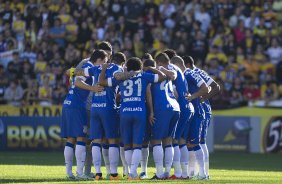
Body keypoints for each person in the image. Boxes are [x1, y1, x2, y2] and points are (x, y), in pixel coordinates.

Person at [114, 57, 166, 180]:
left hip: (124, 111)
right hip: (139, 112)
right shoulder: (144, 76)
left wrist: (124, 73)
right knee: (138, 144)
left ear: (128, 67)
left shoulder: (122, 76)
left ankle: (129, 173)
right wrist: (153, 69)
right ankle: (133, 173)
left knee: (127, 144)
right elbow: (163, 77)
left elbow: (113, 79)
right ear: (140, 67)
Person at [61, 50, 106, 180]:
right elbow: (77, 82)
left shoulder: (84, 66)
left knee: (70, 139)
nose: (104, 64)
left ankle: (69, 173)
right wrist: (93, 88)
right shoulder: (89, 67)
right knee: (81, 137)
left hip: (68, 102)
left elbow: (71, 75)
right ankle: (80, 173)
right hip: (77, 105)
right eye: (104, 61)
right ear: (99, 59)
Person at [183, 56, 220, 178]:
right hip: (202, 109)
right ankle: (194, 173)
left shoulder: (196, 73)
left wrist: (203, 99)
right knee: (195, 141)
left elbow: (216, 87)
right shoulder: (198, 72)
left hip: (201, 108)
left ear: (186, 64)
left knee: (199, 141)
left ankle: (203, 173)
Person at [143, 57, 180, 180]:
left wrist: (151, 111)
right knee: (168, 141)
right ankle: (167, 172)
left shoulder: (150, 73)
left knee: (156, 140)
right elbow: (176, 94)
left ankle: (159, 173)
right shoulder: (168, 74)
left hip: (161, 107)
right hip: (175, 107)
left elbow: (148, 91)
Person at [182, 56, 209, 180]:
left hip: (196, 112)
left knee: (195, 143)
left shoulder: (190, 74)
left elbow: (206, 88)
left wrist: (193, 97)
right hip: (190, 112)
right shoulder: (185, 74)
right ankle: (191, 173)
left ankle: (203, 174)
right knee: (189, 144)